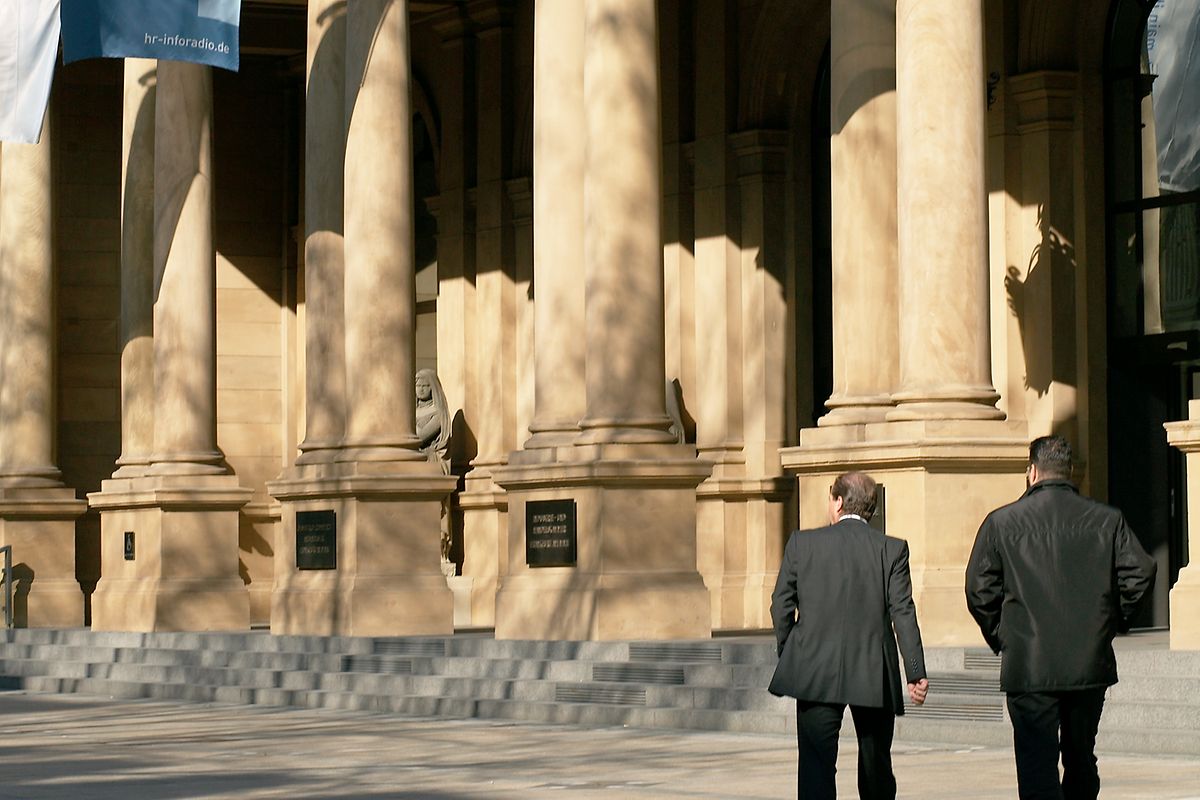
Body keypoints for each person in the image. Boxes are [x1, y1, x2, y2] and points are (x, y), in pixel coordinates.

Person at [966, 435, 1156, 800]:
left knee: (1037, 767)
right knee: (1081, 759)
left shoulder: (1002, 521)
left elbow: (979, 589)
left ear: (1032, 471)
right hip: (1087, 661)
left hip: (1030, 664)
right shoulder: (1107, 519)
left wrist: (1003, 635)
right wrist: (1113, 622)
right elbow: (1141, 573)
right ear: (1069, 472)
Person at [769, 471, 928, 799]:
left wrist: (790, 651)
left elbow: (780, 605)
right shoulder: (892, 549)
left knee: (816, 765)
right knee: (876, 765)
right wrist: (915, 671)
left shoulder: (802, 543)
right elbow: (903, 612)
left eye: (830, 497)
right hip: (873, 670)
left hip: (814, 667)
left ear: (838, 502)